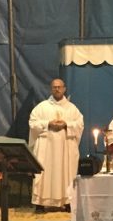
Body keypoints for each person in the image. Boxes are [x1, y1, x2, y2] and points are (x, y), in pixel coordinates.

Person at [29, 78, 84, 213]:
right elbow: (33, 123)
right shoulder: (41, 107)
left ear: (64, 89)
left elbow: (79, 124)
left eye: (59, 87)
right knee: (44, 173)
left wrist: (66, 124)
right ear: (51, 89)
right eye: (54, 87)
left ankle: (67, 202)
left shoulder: (72, 109)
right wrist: (48, 124)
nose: (57, 89)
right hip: (46, 148)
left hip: (66, 148)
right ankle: (40, 203)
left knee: (67, 172)